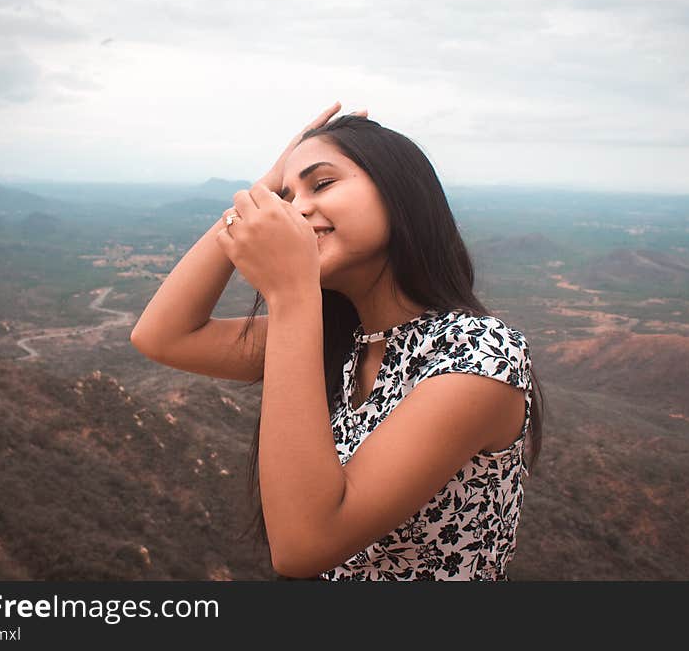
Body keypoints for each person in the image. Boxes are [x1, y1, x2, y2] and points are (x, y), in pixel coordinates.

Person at [130, 101, 545, 581]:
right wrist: (263, 189)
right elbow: (163, 335)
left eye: (322, 183)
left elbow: (304, 546)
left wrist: (291, 292)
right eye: (289, 197)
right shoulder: (339, 340)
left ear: (399, 192)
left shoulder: (479, 356)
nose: (297, 209)